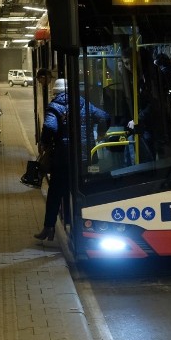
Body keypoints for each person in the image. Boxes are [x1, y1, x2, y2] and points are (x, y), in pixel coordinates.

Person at [34, 78, 110, 242]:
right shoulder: (84, 104)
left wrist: (45, 142)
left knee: (55, 193)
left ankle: (49, 228)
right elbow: (104, 117)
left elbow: (49, 127)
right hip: (85, 158)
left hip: (62, 159)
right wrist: (101, 134)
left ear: (55, 92)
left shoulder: (54, 107)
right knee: (82, 192)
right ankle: (85, 228)